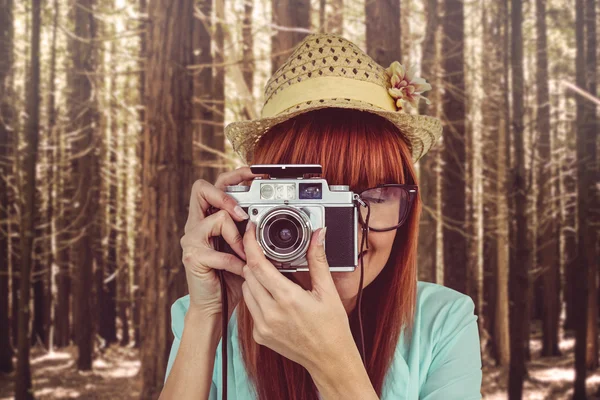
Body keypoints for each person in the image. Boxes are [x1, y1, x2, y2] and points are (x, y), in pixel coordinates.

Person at [159, 32, 482, 400]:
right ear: (259, 206)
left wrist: (331, 361)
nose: (346, 232)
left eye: (376, 196)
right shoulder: (208, 313)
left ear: (408, 205)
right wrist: (208, 316)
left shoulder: (442, 322)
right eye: (313, 204)